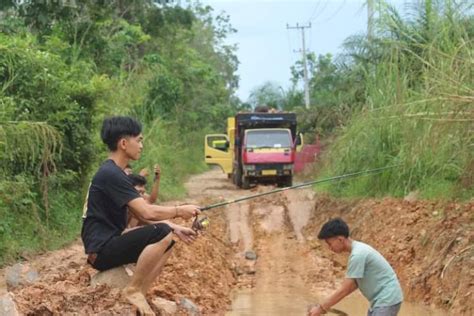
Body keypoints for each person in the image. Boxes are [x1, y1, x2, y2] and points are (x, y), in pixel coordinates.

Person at [81, 116, 200, 316]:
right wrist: (179, 210)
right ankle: (134, 289)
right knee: (161, 232)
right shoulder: (111, 174)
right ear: (124, 143)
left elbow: (140, 214)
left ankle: (140, 293)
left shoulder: (115, 173)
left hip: (108, 245)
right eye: (139, 140)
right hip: (101, 250)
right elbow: (147, 211)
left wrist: (175, 226)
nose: (141, 146)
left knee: (168, 237)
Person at [308, 218, 403, 316]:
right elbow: (353, 285)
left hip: (386, 299)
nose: (329, 247)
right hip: (383, 299)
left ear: (340, 239)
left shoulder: (357, 255)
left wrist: (321, 308)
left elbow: (345, 289)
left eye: (330, 243)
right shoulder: (358, 250)